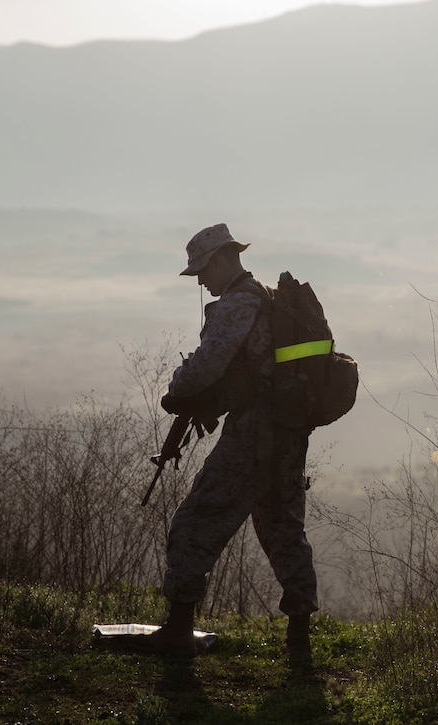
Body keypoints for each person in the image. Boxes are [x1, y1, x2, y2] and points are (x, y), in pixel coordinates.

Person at [112, 223, 318, 660]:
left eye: (203, 271)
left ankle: (178, 629)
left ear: (222, 259)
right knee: (283, 530)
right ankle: (299, 640)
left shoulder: (239, 302)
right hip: (287, 432)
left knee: (195, 521)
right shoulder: (266, 298)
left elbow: (206, 366)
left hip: (255, 433)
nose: (202, 281)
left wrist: (176, 387)